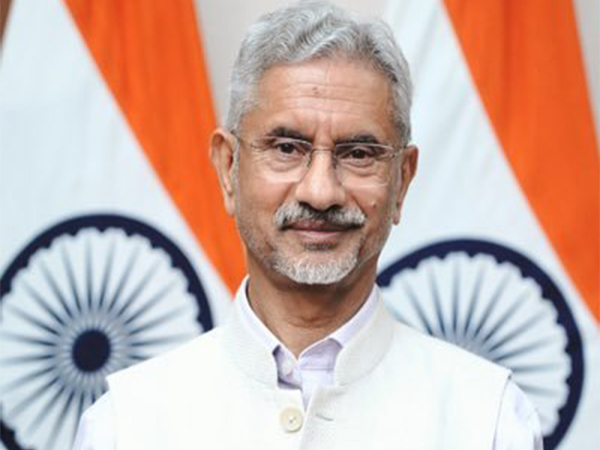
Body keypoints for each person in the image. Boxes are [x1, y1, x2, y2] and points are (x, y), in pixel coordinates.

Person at [72, 2, 543, 449]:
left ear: (402, 180)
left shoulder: (488, 419)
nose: (320, 192)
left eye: (358, 154)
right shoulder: (125, 424)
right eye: (286, 148)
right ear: (228, 167)